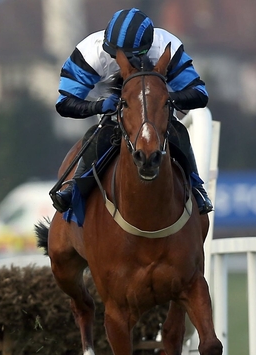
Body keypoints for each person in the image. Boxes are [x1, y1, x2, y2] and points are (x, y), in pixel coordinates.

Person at [51, 7, 214, 214]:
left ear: (146, 50)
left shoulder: (166, 47)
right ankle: (74, 188)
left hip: (157, 111)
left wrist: (163, 100)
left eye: (126, 56)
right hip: (112, 110)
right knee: (99, 136)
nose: (118, 59)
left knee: (177, 132)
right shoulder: (89, 53)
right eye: (113, 54)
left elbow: (199, 93)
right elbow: (64, 103)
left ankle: (196, 187)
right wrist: (98, 106)